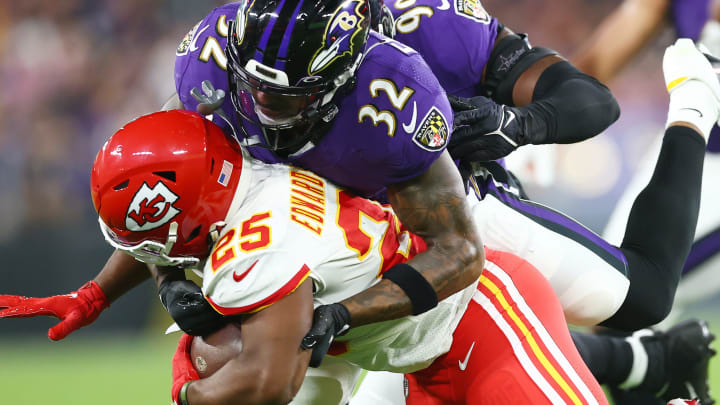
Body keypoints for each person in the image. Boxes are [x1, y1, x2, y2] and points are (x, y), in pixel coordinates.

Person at [91, 108, 609, 405]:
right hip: (414, 365)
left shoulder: (256, 250)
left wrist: (187, 388)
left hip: (481, 319)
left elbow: (270, 382)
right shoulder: (254, 167)